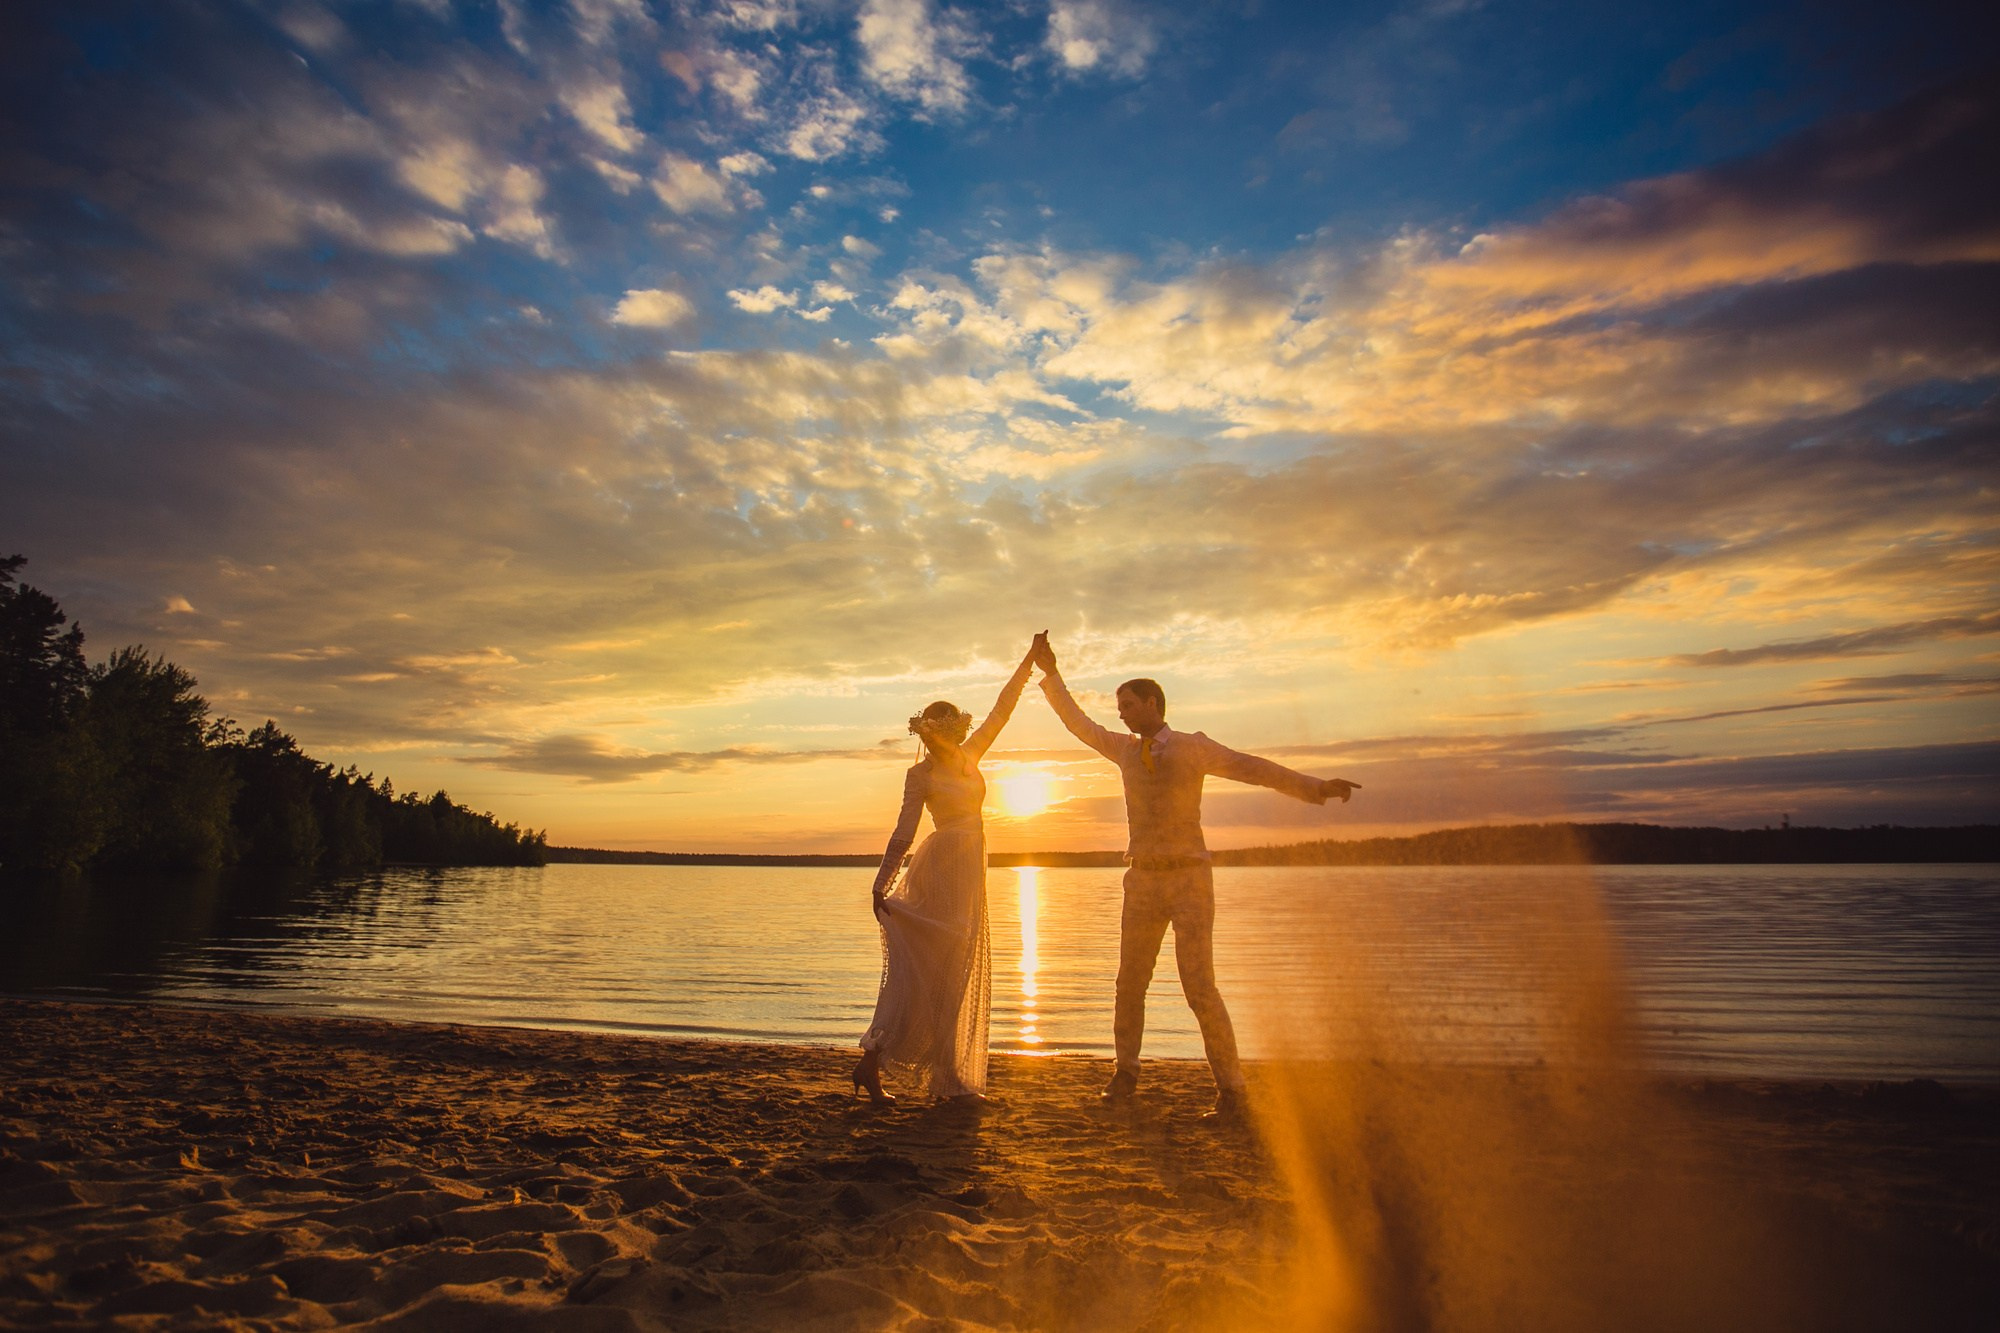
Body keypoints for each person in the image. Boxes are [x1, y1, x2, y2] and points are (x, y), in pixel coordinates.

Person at [1033, 638, 1359, 1121]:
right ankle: (1126, 1074)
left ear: (1152, 704)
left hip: (1189, 880)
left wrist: (1316, 789)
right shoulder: (1123, 751)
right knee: (1130, 982)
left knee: (1199, 986)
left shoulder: (1193, 748)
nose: (1121, 714)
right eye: (1118, 707)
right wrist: (1052, 675)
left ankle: (1231, 1091)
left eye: (1127, 705)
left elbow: (1256, 769)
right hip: (1141, 880)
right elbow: (1078, 724)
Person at [852, 635, 1044, 1106]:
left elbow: (1003, 708)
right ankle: (935, 1074)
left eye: (949, 730)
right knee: (929, 969)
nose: (943, 737)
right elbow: (903, 832)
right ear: (926, 734)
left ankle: (917, 1071)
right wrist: (882, 883)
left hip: (971, 867)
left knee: (952, 970)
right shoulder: (920, 776)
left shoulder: (972, 754)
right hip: (939, 866)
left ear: (958, 731)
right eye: (934, 731)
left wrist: (1029, 662)